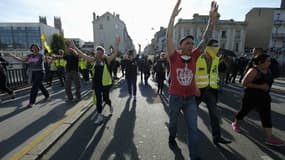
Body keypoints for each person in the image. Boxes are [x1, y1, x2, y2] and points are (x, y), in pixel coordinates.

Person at [166, 0, 218, 159]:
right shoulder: (174, 57)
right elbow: (169, 36)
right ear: (180, 46)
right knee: (173, 124)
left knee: (193, 129)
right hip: (175, 98)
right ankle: (171, 137)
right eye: (187, 43)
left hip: (190, 99)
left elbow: (205, 38)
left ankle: (194, 157)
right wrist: (172, 17)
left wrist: (211, 20)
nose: (191, 45)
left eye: (192, 43)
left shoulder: (195, 56)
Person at [232, 54, 285, 146]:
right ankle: (235, 123)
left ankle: (269, 138)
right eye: (267, 60)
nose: (269, 62)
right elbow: (243, 83)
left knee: (266, 117)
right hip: (250, 97)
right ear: (260, 62)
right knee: (243, 111)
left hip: (264, 98)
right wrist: (260, 86)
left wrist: (267, 93)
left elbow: (268, 85)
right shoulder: (253, 70)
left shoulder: (268, 70)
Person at [67, 37, 120, 124]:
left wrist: (117, 45)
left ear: (103, 53)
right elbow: (82, 54)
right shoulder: (93, 60)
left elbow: (115, 53)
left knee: (106, 99)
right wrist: (74, 47)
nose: (98, 54)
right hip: (96, 84)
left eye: (100, 53)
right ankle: (99, 115)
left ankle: (109, 105)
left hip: (105, 84)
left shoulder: (107, 60)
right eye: (97, 52)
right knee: (98, 100)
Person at [195, 39, 231, 145]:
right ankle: (191, 133)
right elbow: (193, 74)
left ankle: (217, 137)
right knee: (191, 113)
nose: (216, 48)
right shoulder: (198, 58)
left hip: (211, 91)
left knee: (214, 115)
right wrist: (194, 88)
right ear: (208, 47)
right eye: (214, 46)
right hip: (199, 90)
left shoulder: (217, 59)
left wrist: (224, 63)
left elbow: (220, 71)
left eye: (217, 46)